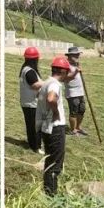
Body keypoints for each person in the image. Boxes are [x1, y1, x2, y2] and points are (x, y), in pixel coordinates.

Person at [38, 56, 74, 195]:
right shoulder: (54, 85)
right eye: (66, 72)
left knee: (50, 160)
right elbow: (51, 98)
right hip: (55, 128)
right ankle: (51, 195)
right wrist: (56, 112)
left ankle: (47, 191)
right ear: (62, 71)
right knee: (55, 164)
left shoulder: (46, 82)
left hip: (46, 127)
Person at [19, 47, 46, 155]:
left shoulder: (26, 68)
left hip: (28, 102)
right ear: (35, 59)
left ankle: (32, 144)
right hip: (31, 104)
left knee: (31, 125)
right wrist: (47, 82)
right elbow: (35, 85)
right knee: (36, 126)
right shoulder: (29, 71)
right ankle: (36, 147)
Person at [63, 47, 89, 136]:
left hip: (80, 92)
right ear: (70, 55)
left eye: (78, 54)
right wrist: (75, 73)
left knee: (82, 109)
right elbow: (65, 79)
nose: (78, 55)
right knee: (74, 111)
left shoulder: (76, 64)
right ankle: (73, 130)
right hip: (72, 92)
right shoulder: (66, 65)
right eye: (76, 54)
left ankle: (78, 127)